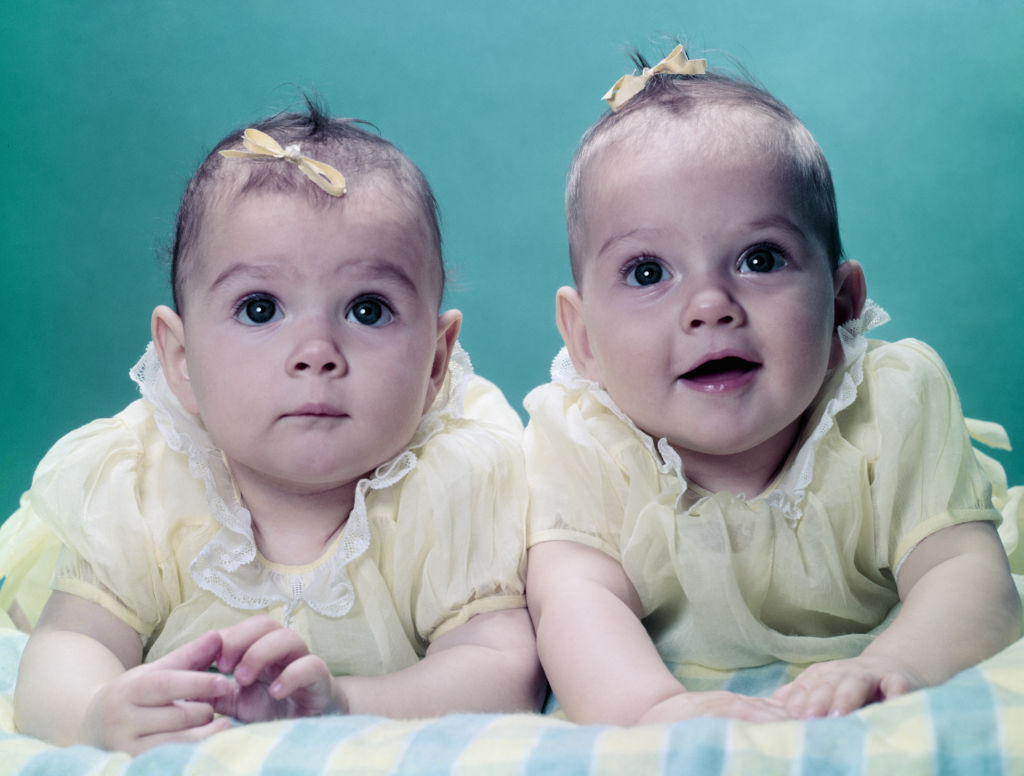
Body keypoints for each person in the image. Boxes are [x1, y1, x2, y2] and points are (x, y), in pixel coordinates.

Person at [0, 100, 542, 753]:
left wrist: (345, 705)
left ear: (436, 359)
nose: (316, 350)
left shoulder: (451, 482)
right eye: (260, 309)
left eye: (367, 310)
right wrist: (90, 712)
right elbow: (70, 642)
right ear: (180, 359)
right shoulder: (146, 483)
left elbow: (501, 671)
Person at [523, 45, 1022, 726]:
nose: (710, 305)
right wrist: (654, 708)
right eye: (647, 273)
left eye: (760, 259)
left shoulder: (893, 403)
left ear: (843, 302)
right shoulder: (582, 441)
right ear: (582, 339)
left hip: (896, 636)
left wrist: (891, 663)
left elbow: (967, 578)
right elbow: (574, 602)